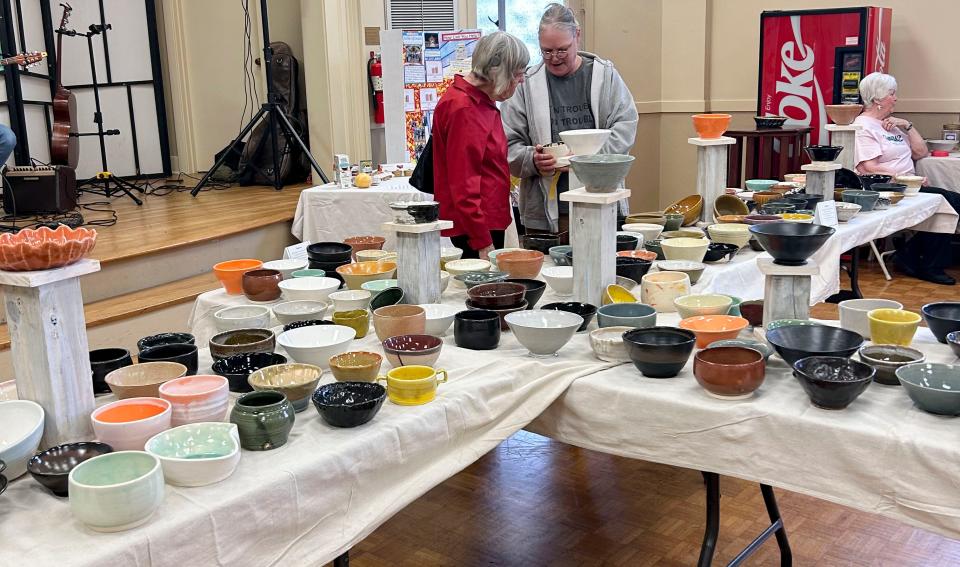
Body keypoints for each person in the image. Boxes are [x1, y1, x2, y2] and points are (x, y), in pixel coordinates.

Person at [501, 3, 638, 234]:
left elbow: (625, 126)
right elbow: (507, 143)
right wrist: (533, 160)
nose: (554, 58)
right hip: (544, 213)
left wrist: (590, 159)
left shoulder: (604, 77)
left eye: (562, 50)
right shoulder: (527, 84)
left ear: (577, 35)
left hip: (599, 204)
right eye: (546, 51)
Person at [854, 72, 960, 285]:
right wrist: (908, 179)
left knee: (949, 201)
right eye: (891, 94)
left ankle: (911, 256)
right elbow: (869, 168)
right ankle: (925, 263)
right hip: (890, 188)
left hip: (908, 185)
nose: (895, 98)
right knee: (951, 201)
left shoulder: (888, 124)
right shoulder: (863, 126)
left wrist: (907, 126)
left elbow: (920, 153)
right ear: (877, 100)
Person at [432, 31, 529, 259]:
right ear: (500, 73)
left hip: (483, 220)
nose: (521, 81)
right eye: (518, 75)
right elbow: (464, 185)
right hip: (476, 226)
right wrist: (483, 242)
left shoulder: (478, 101)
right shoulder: (465, 109)